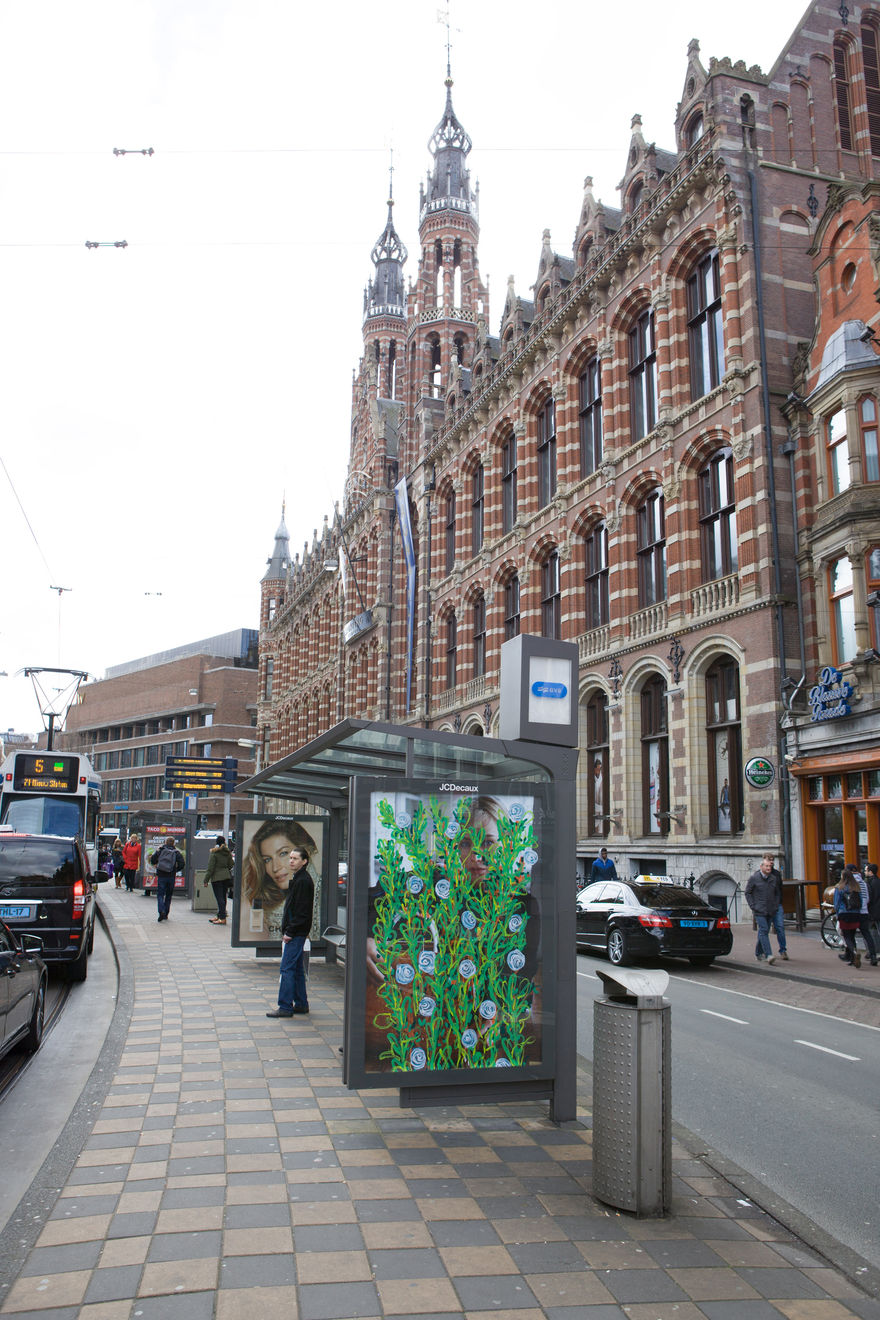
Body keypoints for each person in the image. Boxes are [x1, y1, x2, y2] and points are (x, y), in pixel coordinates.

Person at [242, 818, 317, 939]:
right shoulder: (271, 901)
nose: (275, 867)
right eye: (267, 859)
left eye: (283, 853)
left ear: (305, 852)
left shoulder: (315, 889)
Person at [266, 845, 314, 1018]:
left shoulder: (303, 881)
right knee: (297, 969)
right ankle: (301, 1003)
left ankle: (285, 1006)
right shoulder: (300, 879)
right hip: (297, 931)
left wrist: (290, 932)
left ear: (304, 861)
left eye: (295, 858)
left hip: (296, 932)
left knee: (286, 968)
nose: (291, 861)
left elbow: (301, 912)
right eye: (291, 858)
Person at [836, 864, 877, 967]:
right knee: (866, 934)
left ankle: (852, 955)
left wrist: (838, 913)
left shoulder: (844, 885)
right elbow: (866, 898)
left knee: (848, 935)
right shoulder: (862, 883)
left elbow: (837, 903)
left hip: (849, 912)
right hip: (862, 912)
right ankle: (873, 956)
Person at [745, 854, 783, 964]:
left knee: (763, 931)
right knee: (764, 930)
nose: (768, 868)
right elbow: (748, 892)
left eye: (769, 866)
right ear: (761, 867)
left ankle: (758, 953)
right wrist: (753, 906)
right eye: (766, 866)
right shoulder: (754, 878)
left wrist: (775, 905)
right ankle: (769, 954)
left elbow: (777, 893)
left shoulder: (773, 878)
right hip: (759, 910)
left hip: (770, 909)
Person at [149, 836, 185, 923]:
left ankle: (161, 910)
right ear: (173, 843)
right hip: (171, 876)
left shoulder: (160, 850)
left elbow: (153, 860)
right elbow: (182, 863)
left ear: (165, 842)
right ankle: (166, 913)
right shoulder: (176, 852)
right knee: (168, 895)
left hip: (161, 875)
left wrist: (157, 864)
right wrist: (175, 870)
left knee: (160, 894)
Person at [205, 835, 234, 924]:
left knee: (219, 898)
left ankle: (222, 918)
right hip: (226, 877)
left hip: (217, 878)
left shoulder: (215, 853)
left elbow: (210, 868)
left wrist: (206, 880)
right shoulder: (227, 852)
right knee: (223, 897)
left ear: (216, 843)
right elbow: (231, 864)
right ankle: (220, 915)